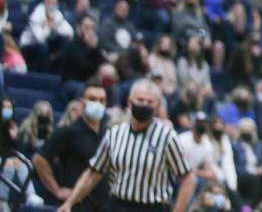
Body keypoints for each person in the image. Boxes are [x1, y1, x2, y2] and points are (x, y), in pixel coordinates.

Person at [58, 79, 195, 212]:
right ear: (130, 102)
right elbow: (93, 173)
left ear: (157, 106)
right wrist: (70, 203)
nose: (144, 104)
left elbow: (188, 179)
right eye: (140, 100)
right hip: (118, 204)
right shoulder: (114, 134)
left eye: (150, 102)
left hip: (153, 207)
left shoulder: (167, 137)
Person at [33, 82, 109, 212]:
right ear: (82, 102)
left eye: (102, 100)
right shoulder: (68, 132)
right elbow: (39, 159)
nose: (98, 103)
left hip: (105, 203)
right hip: (77, 204)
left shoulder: (108, 132)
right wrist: (57, 190)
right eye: (92, 99)